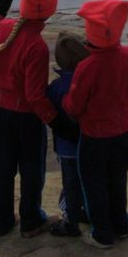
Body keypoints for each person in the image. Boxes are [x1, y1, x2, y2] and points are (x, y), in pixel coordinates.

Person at [0, 0, 73, 238]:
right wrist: (58, 122)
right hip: (26, 120)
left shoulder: (5, 27)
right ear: (48, 13)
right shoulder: (37, 46)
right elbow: (34, 96)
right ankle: (31, 220)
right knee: (32, 170)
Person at [62, 0, 128, 249]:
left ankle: (102, 234)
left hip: (95, 138)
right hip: (124, 133)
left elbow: (74, 105)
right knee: (118, 180)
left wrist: (63, 102)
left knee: (94, 184)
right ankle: (122, 225)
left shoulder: (87, 66)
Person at [46, 32, 90, 237]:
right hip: (90, 143)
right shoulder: (89, 81)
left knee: (70, 186)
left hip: (65, 148)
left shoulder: (55, 87)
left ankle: (70, 221)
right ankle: (89, 213)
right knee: (90, 181)